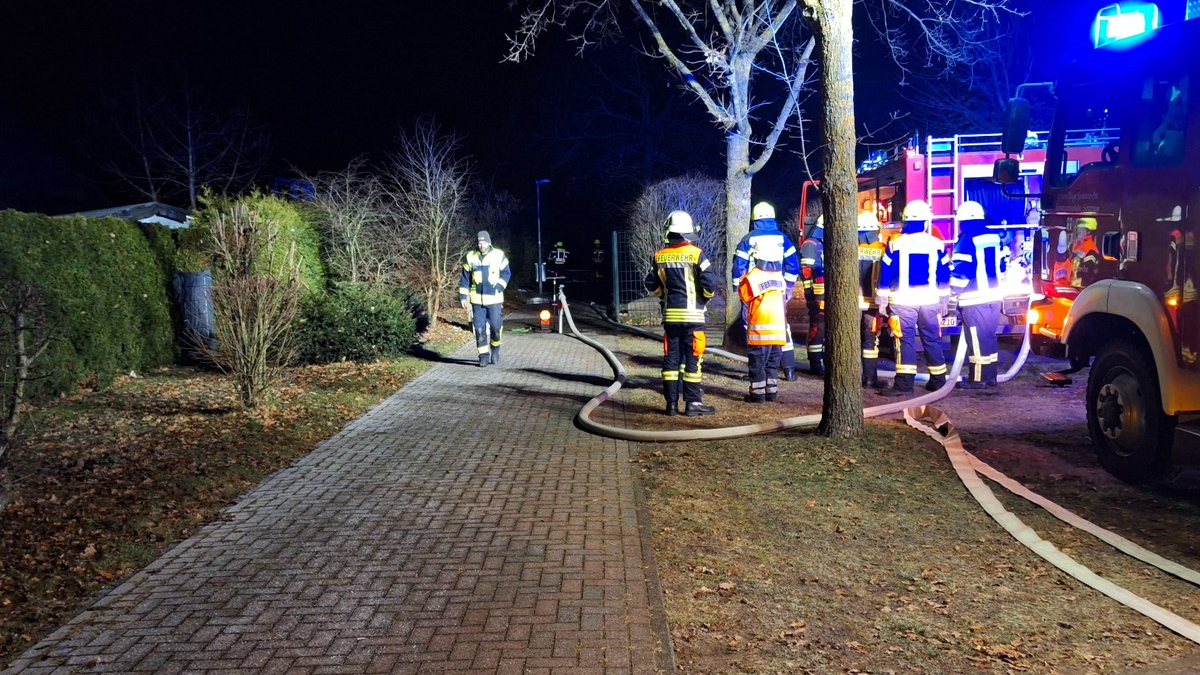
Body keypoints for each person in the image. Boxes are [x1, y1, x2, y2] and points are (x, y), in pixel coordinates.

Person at [876, 199, 952, 396]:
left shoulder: (894, 245)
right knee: (932, 340)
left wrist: (882, 300)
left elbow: (885, 275)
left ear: (905, 221)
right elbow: (944, 274)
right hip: (930, 301)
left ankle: (904, 385)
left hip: (902, 302)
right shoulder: (937, 244)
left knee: (904, 341)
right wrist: (944, 299)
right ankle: (938, 381)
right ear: (926, 221)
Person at [645, 211, 718, 416]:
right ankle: (693, 403)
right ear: (687, 233)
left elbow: (651, 282)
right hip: (693, 317)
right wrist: (705, 298)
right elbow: (710, 284)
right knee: (693, 358)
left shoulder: (659, 256)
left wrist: (663, 296)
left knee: (671, 359)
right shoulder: (696, 254)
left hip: (671, 317)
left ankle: (671, 404)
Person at [732, 201, 801, 380]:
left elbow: (739, 266)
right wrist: (789, 287)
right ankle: (789, 370)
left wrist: (739, 287)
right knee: (781, 328)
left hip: (754, 290)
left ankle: (757, 373)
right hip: (778, 290)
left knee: (753, 329)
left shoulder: (749, 239)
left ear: (755, 219)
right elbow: (793, 265)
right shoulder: (782, 238)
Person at [949, 201, 1006, 392]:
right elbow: (1002, 264)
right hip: (994, 296)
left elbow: (961, 272)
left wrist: (951, 294)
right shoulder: (993, 236)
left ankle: (978, 379)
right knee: (988, 337)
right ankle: (991, 377)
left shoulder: (966, 239)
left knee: (976, 340)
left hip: (975, 299)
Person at [737, 242, 789, 403]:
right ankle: (771, 393)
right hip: (778, 332)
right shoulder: (779, 277)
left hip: (760, 332)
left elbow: (744, 296)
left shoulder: (752, 277)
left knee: (758, 364)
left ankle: (758, 395)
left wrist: (742, 277)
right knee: (772, 364)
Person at [459, 230, 511, 368]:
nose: (481, 245)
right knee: (479, 329)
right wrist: (463, 296)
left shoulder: (498, 255)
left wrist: (499, 286)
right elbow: (465, 278)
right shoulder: (470, 257)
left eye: (484, 242)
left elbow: (506, 273)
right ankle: (483, 356)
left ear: (489, 242)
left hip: (494, 299)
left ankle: (495, 348)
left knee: (495, 327)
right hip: (477, 301)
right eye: (479, 242)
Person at [856, 211, 888, 388]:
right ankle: (869, 379)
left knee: (850, 340)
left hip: (852, 305)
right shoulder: (882, 248)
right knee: (870, 342)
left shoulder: (850, 249)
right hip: (872, 304)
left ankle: (849, 378)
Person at [799, 213, 826, 376]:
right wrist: (811, 295)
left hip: (828, 295)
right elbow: (806, 272)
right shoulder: (811, 244)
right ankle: (815, 364)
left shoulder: (824, 244)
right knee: (818, 327)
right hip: (818, 296)